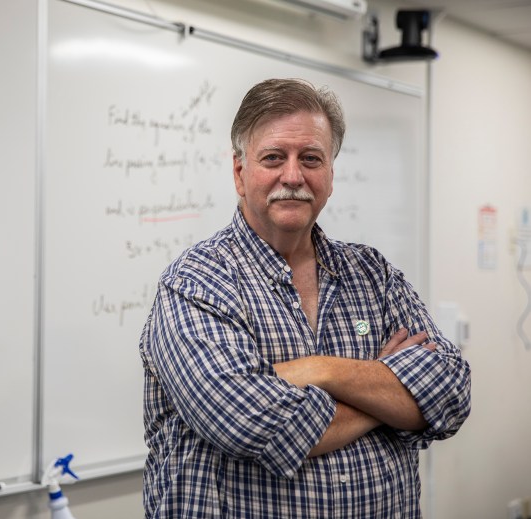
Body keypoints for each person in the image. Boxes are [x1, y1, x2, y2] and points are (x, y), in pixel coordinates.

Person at [139, 78, 471, 518]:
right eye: (273, 158)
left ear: (330, 176)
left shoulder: (374, 275)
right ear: (240, 173)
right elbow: (253, 423)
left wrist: (321, 369)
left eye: (311, 159)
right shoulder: (197, 283)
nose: (293, 176)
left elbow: (449, 394)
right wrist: (390, 396)